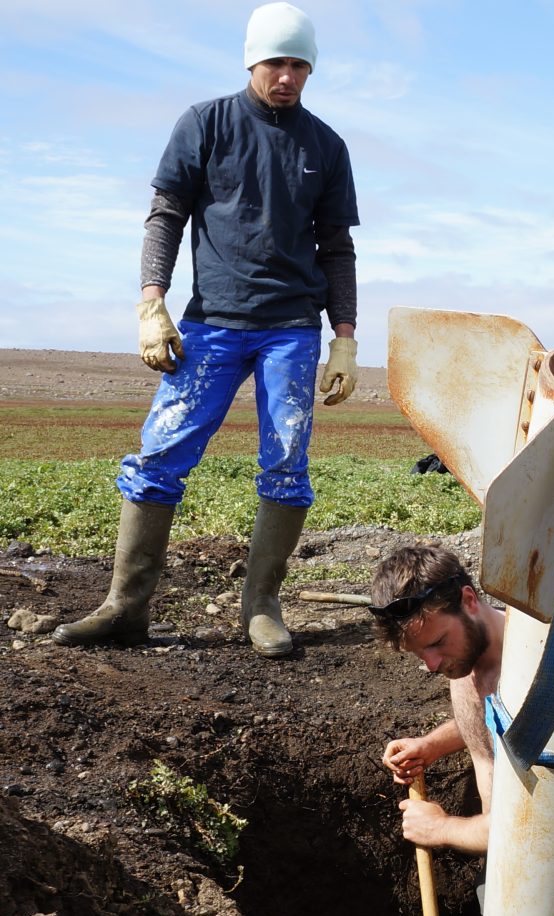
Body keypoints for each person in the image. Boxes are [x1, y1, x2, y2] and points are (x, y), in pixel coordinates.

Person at [55, 2, 359, 659]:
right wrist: (150, 301)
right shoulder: (206, 124)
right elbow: (165, 214)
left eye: (300, 64)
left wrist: (345, 336)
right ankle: (125, 607)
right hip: (212, 324)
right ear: (252, 60)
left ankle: (262, 607)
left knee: (286, 463)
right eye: (276, 61)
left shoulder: (325, 147)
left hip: (291, 331)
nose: (287, 75)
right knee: (160, 454)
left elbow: (336, 247)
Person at [370, 544, 505, 855]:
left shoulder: (530, 679)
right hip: (500, 863)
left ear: (469, 601)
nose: (431, 664)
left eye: (437, 642)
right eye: (418, 652)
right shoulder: (465, 660)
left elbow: (532, 826)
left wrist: (441, 828)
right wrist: (432, 745)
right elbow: (494, 725)